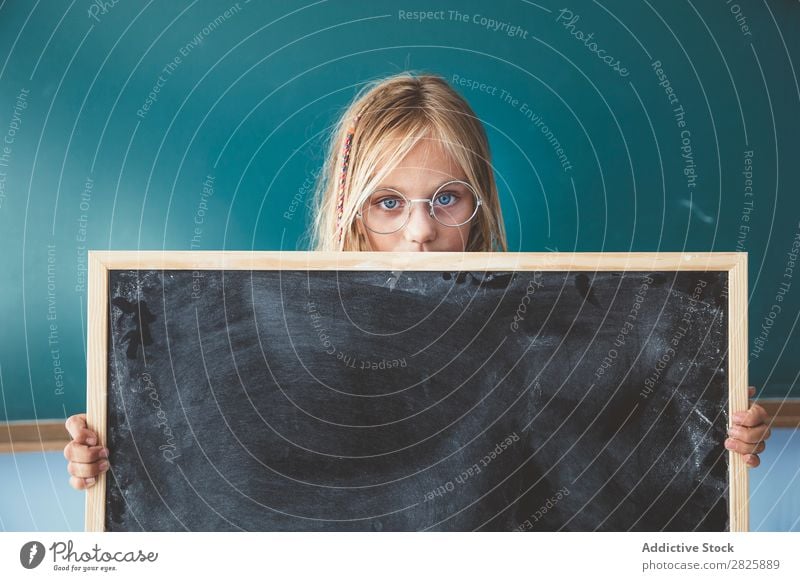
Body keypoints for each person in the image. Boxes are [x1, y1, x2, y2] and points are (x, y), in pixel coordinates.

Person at [63, 71, 772, 490]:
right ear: (350, 210)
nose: (421, 231)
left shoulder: (552, 337)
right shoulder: (266, 351)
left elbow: (614, 458)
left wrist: (710, 431)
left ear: (481, 203)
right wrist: (118, 461)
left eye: (447, 198)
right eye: (388, 202)